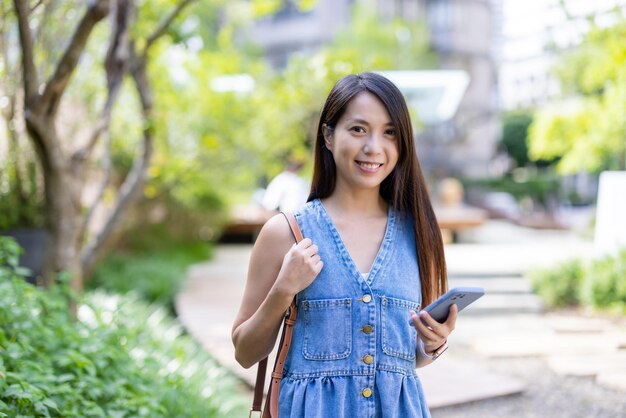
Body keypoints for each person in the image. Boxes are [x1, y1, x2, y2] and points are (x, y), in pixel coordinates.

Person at [232, 72, 457, 417]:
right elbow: (245, 353)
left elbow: (405, 359)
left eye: (390, 133)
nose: (374, 147)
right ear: (328, 136)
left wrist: (433, 343)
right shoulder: (285, 233)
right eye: (358, 129)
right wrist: (283, 290)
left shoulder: (419, 234)